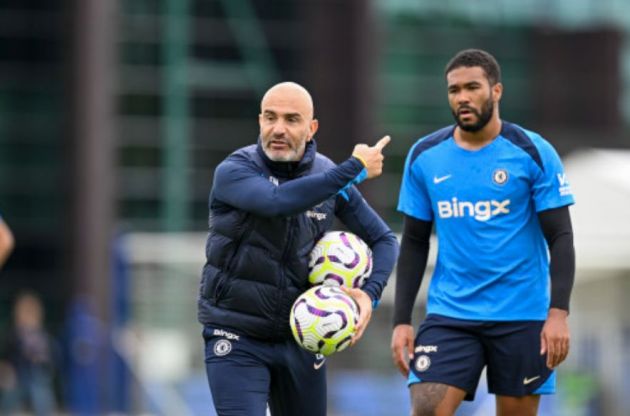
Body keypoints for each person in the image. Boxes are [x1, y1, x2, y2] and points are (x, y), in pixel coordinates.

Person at [391, 49, 575, 416]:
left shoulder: (532, 152)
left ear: (496, 91)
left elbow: (561, 237)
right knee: (426, 410)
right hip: (451, 314)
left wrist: (558, 313)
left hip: (522, 315)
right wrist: (400, 321)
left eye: (472, 87)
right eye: (454, 90)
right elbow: (413, 242)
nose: (462, 97)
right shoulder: (425, 156)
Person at [198, 81, 399, 416]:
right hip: (236, 336)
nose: (278, 129)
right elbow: (277, 202)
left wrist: (370, 294)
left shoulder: (329, 176)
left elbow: (385, 240)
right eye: (270, 118)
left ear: (311, 128)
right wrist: (353, 169)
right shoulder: (234, 171)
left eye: (291, 119)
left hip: (304, 336)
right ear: (259, 121)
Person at [0, 291, 58, 415]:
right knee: (9, 402)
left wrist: (44, 363)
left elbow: (50, 355)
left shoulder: (42, 335)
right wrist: (6, 370)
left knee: (42, 400)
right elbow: (7, 355)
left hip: (37, 374)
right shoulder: (13, 333)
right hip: (18, 374)